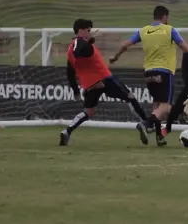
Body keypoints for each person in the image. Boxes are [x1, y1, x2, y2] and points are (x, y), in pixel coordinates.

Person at [110, 6, 188, 147]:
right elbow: (186, 48)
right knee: (166, 106)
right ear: (164, 17)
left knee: (157, 104)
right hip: (164, 72)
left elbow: (125, 44)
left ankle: (159, 138)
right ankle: (146, 124)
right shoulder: (169, 30)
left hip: (149, 73)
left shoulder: (143, 31)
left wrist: (115, 57)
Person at [59, 18, 149, 146]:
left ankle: (67, 131)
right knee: (129, 96)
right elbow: (78, 50)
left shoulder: (70, 49)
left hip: (91, 85)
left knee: (89, 112)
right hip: (104, 78)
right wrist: (89, 41)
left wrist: (75, 90)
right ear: (80, 30)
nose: (90, 33)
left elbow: (70, 72)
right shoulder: (78, 43)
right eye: (88, 31)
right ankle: (146, 124)